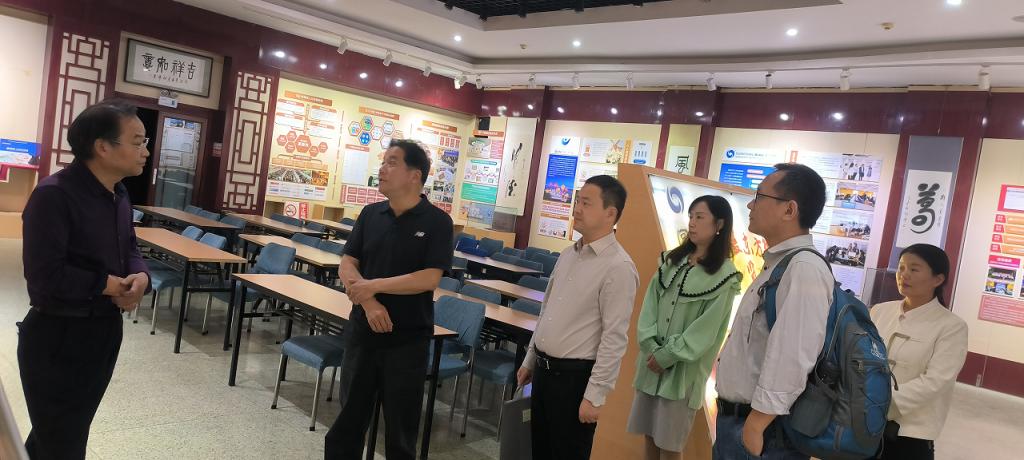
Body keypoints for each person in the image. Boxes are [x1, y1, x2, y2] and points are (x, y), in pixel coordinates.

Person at [19, 99, 151, 459]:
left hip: (103, 331)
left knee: (60, 432)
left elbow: (130, 246)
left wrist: (140, 276)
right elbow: (44, 275)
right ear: (103, 147)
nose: (145, 151)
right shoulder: (54, 195)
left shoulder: (119, 193)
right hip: (59, 336)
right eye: (137, 142)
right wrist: (110, 285)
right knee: (62, 441)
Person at [325, 140, 453, 459]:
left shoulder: (438, 222)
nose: (382, 168)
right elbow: (348, 262)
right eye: (383, 162)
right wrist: (369, 302)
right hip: (363, 334)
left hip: (407, 341)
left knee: (401, 430)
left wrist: (373, 286)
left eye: (392, 162)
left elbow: (429, 278)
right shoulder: (371, 214)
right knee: (348, 422)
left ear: (414, 175)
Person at [713, 163, 833, 460]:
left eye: (759, 197)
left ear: (789, 210)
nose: (751, 205)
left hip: (765, 433)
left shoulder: (803, 268)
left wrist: (755, 425)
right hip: (740, 424)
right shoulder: (780, 263)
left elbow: (794, 354)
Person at [516, 175, 639, 460]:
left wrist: (595, 396)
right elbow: (547, 312)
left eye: (586, 203)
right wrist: (530, 359)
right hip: (544, 374)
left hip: (574, 381)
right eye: (577, 201)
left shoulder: (618, 267)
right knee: (541, 451)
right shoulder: (568, 254)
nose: (577, 209)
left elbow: (614, 338)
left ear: (610, 214)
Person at [628, 195, 742, 460]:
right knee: (649, 436)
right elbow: (649, 308)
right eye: (691, 216)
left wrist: (667, 356)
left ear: (719, 224)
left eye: (699, 217)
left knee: (670, 444)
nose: (692, 223)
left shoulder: (725, 275)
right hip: (651, 364)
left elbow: (705, 331)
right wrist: (651, 347)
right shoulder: (671, 261)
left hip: (681, 373)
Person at [871, 244, 967, 460]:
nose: (904, 275)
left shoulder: (951, 326)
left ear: (938, 279)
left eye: (914, 269)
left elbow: (936, 381)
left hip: (909, 434)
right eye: (901, 267)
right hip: (861, 424)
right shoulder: (879, 311)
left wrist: (880, 403)